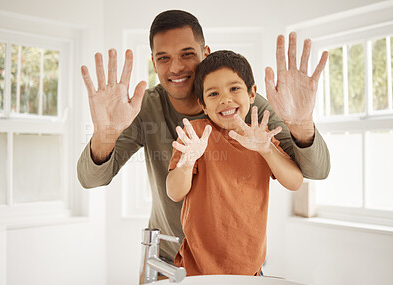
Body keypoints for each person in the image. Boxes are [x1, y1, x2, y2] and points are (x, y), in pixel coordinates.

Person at [77, 10, 330, 263]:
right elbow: (91, 179)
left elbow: (315, 172)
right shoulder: (146, 108)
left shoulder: (249, 111)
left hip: (238, 265)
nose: (175, 67)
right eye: (163, 58)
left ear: (205, 54)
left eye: (187, 54)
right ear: (154, 63)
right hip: (167, 258)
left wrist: (302, 124)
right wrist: (105, 135)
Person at [166, 50, 303, 276]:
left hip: (249, 272)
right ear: (202, 104)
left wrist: (267, 150)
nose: (225, 99)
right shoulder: (196, 135)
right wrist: (188, 162)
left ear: (252, 93)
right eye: (213, 94)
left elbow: (295, 182)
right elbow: (174, 192)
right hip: (195, 271)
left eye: (234, 88)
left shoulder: (261, 136)